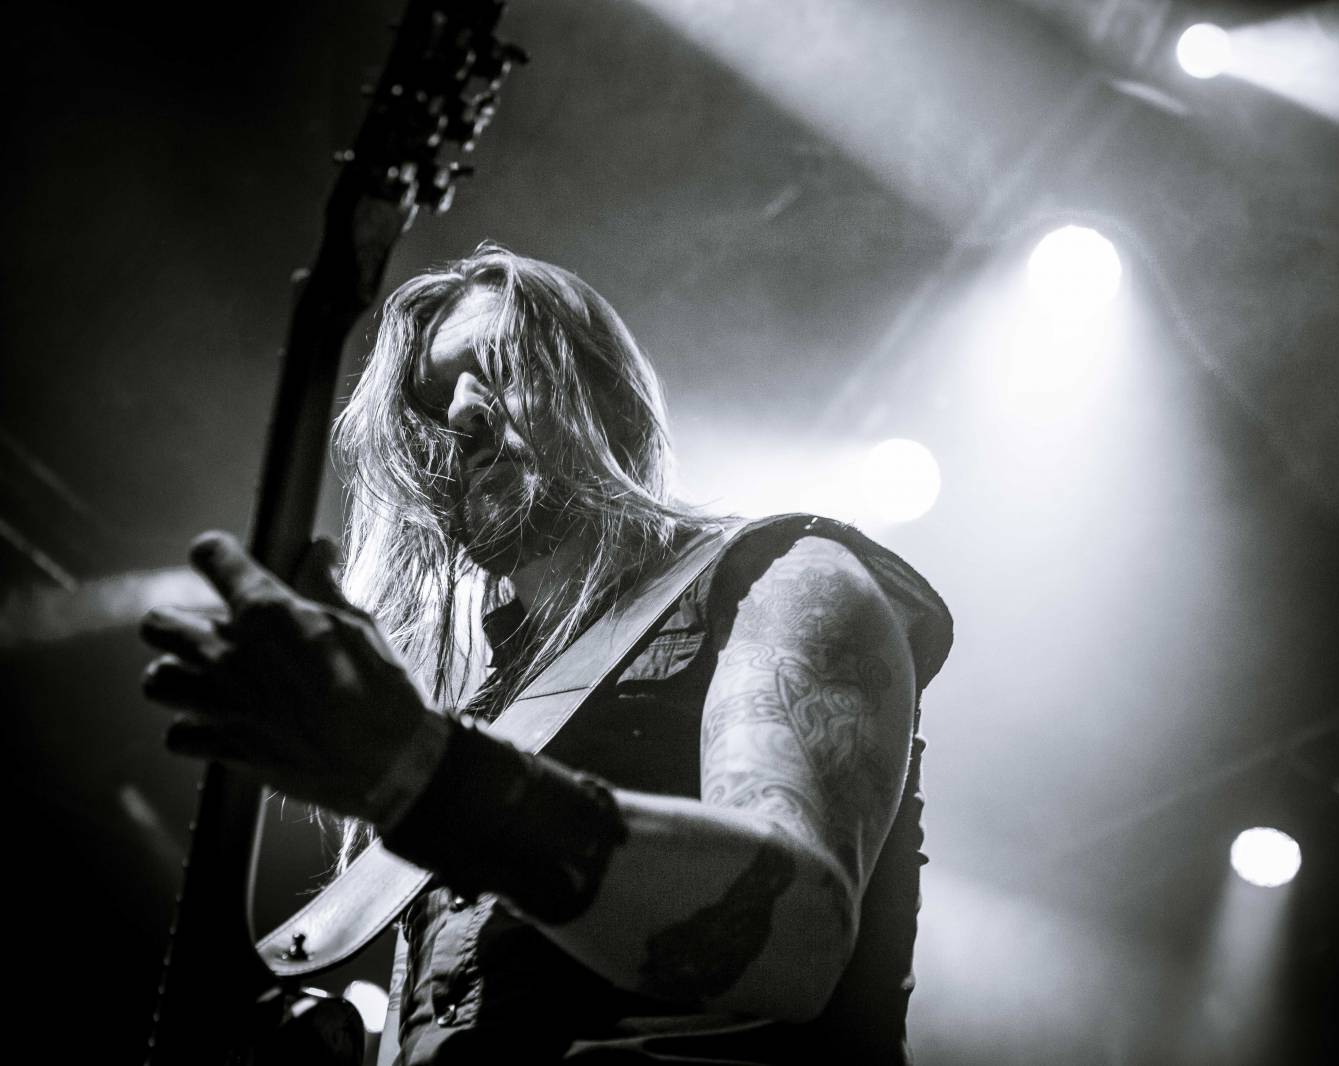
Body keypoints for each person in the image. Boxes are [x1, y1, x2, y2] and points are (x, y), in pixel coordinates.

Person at [140, 243, 952, 1064]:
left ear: (611, 398)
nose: (461, 415)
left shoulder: (783, 575)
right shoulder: (481, 715)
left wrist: (424, 771)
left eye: (498, 368)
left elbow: (796, 936)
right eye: (430, 401)